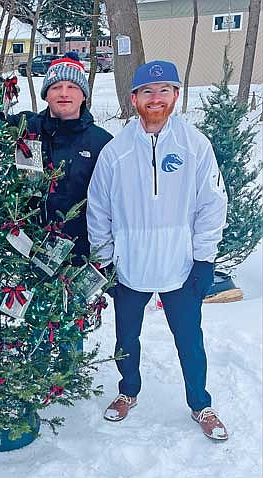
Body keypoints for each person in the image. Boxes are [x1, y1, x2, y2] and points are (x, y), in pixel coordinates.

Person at [87, 60, 228, 440]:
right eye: (147, 92)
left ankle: (201, 403)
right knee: (126, 338)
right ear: (134, 99)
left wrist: (203, 258)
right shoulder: (116, 152)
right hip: (129, 266)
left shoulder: (195, 146)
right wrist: (104, 262)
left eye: (164, 90)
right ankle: (127, 392)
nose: (156, 98)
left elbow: (212, 204)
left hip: (179, 265)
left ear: (176, 96)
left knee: (189, 339)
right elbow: (98, 209)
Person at [6, 52, 113, 267]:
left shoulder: (103, 143)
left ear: (84, 95)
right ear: (46, 94)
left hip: (79, 258)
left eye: (72, 87)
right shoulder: (25, 129)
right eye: (56, 87)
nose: (64, 93)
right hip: (27, 252)